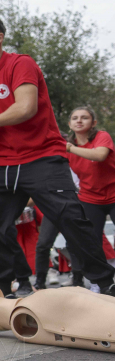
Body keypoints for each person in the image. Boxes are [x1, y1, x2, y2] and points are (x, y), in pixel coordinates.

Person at [0, 15, 115, 296]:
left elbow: (26, 107)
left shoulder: (20, 64)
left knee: (70, 217)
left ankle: (105, 282)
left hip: (42, 157)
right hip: (2, 164)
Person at [65, 106, 115, 284]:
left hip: (114, 194)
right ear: (69, 124)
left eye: (84, 118)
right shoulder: (66, 147)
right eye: (75, 118)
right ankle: (102, 283)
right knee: (92, 243)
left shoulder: (102, 137)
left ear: (93, 123)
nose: (79, 120)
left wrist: (69, 148)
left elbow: (100, 155)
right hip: (90, 198)